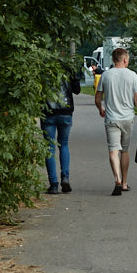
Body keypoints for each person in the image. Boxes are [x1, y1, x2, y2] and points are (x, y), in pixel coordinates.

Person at [94, 47, 137, 196]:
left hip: (111, 119)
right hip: (127, 119)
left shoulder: (105, 75)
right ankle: (124, 183)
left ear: (113, 60)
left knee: (113, 151)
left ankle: (117, 179)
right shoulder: (132, 75)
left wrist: (100, 109)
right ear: (125, 59)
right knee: (125, 150)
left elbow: (97, 98)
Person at [41, 62, 83, 194]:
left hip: (48, 112)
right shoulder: (68, 68)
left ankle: (53, 184)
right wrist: (75, 77)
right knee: (64, 144)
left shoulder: (43, 67)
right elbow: (77, 90)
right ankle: (65, 177)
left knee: (49, 147)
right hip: (65, 112)